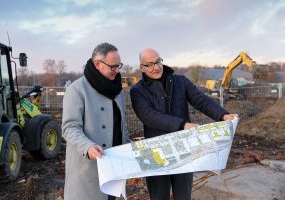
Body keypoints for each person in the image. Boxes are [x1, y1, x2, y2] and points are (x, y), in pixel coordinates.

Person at [130, 48, 238, 200]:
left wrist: (223, 115)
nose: (156, 67)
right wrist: (183, 125)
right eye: (149, 64)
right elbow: (149, 116)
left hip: (183, 148)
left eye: (158, 61)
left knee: (183, 195)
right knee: (158, 196)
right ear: (141, 67)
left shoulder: (180, 81)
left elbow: (201, 101)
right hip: (154, 151)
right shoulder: (137, 90)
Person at [62, 43, 129, 200]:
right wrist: (88, 146)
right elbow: (69, 127)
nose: (117, 70)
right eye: (113, 67)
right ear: (97, 64)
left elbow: (120, 126)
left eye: (118, 65)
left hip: (113, 170)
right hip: (88, 172)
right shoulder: (77, 89)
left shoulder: (117, 90)